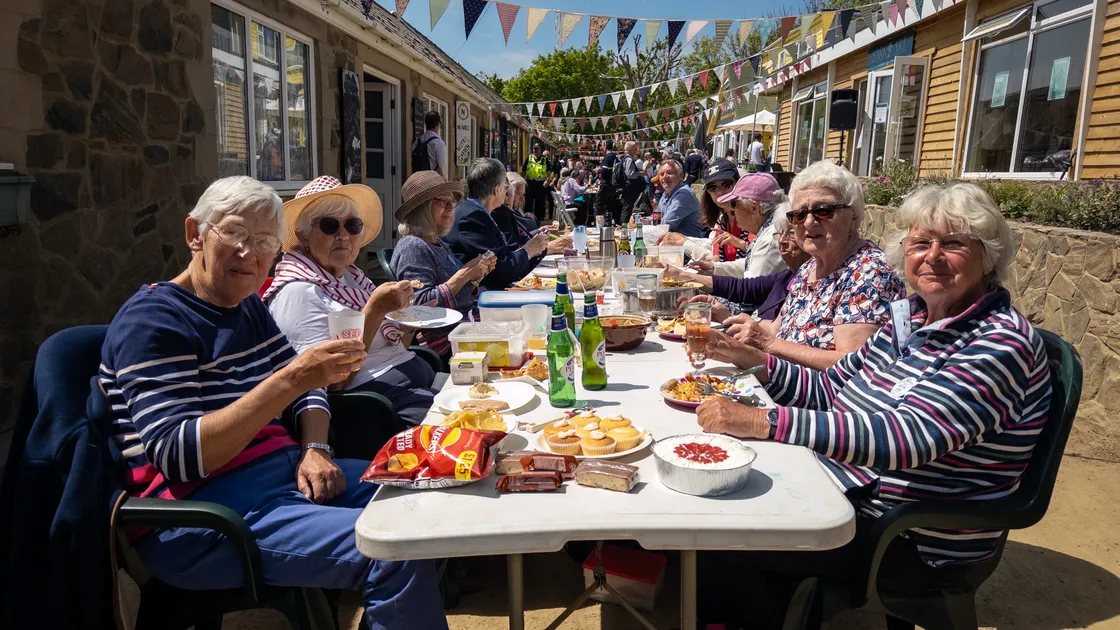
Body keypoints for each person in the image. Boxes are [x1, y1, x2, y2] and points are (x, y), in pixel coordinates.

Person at [695, 183, 1052, 629]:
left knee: (720, 539)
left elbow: (905, 440)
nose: (933, 256)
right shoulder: (912, 318)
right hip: (850, 492)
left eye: (954, 244)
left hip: (908, 535)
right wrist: (758, 364)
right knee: (714, 504)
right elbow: (832, 390)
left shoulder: (999, 343)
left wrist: (764, 420)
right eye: (921, 243)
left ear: (989, 256)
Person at [99, 176, 447, 630]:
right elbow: (181, 457)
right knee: (395, 549)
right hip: (204, 517)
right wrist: (292, 379)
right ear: (194, 235)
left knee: (436, 510)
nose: (251, 253)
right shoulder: (153, 321)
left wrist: (315, 448)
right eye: (236, 235)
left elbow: (311, 384)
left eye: (264, 241)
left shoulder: (246, 307)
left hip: (280, 482)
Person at [263, 175, 439, 429]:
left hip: (412, 384)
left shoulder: (351, 277)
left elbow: (390, 345)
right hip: (373, 410)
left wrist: (409, 323)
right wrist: (376, 309)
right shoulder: (298, 292)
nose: (343, 236)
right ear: (303, 235)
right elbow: (330, 382)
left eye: (353, 226)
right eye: (329, 225)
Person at [714, 160, 906, 371]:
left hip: (815, 401)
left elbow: (853, 365)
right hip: (775, 381)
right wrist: (729, 322)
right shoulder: (809, 268)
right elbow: (776, 328)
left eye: (823, 211)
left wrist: (768, 344)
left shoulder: (869, 272)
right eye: (799, 214)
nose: (808, 222)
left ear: (853, 217)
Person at [390, 171, 496, 357]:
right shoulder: (412, 246)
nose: (450, 208)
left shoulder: (438, 244)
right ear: (422, 208)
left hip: (463, 330)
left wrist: (474, 277)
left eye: (451, 203)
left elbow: (454, 291)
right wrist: (464, 275)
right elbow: (419, 306)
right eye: (442, 201)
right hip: (445, 343)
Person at [444, 158, 566, 290]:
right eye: (505, 188)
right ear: (497, 190)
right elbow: (500, 270)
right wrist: (529, 250)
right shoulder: (473, 217)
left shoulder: (474, 210)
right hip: (476, 298)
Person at [683, 213, 810, 323]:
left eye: (791, 234)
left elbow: (770, 334)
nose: (781, 241)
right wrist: (726, 316)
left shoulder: (812, 287)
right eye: (780, 234)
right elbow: (744, 287)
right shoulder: (788, 276)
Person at [656, 158, 707, 238]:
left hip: (692, 244)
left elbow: (667, 224)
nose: (665, 177)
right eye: (662, 174)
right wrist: (641, 220)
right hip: (676, 243)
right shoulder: (666, 194)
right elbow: (658, 216)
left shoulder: (684, 193)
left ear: (681, 176)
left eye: (669, 173)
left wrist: (648, 223)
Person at [492, 172, 534, 246]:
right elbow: (514, 247)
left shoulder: (513, 210)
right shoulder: (501, 213)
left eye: (523, 194)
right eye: (519, 194)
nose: (522, 198)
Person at [412, 110, 447, 177]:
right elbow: (442, 168)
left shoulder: (417, 142)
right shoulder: (438, 143)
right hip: (432, 181)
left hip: (418, 180)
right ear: (438, 124)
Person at [619, 141, 646, 224]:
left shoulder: (625, 158)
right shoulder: (629, 159)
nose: (636, 151)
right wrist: (640, 173)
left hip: (628, 187)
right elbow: (630, 174)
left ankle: (623, 225)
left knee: (627, 207)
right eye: (635, 149)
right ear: (630, 149)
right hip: (629, 187)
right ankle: (624, 226)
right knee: (627, 208)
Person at [595, 139, 620, 222]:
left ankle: (597, 224)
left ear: (605, 146)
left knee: (599, 205)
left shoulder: (608, 156)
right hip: (612, 186)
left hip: (605, 184)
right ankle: (608, 223)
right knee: (609, 206)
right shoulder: (614, 156)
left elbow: (604, 171)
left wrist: (598, 170)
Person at [523, 143, 549, 221]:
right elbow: (524, 170)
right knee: (529, 201)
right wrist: (522, 181)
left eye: (537, 148)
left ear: (540, 149)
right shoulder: (529, 158)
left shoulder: (544, 159)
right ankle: (527, 218)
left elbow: (549, 171)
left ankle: (538, 219)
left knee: (540, 202)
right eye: (534, 148)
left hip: (540, 183)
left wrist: (547, 181)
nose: (535, 150)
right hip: (530, 183)